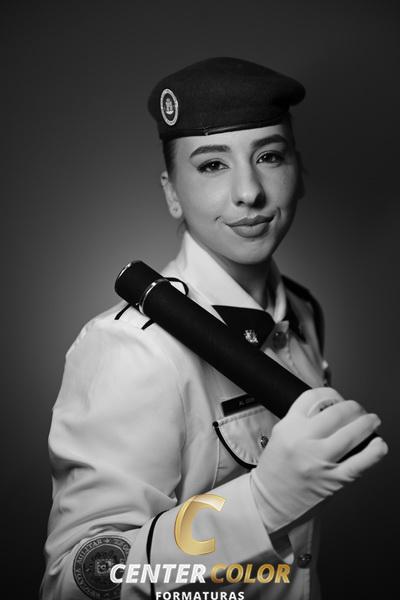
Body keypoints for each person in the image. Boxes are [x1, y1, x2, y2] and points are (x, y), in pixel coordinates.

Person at [40, 57, 388, 600]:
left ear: (299, 171)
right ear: (172, 193)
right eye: (211, 165)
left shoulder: (302, 312)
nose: (249, 192)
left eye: (269, 156)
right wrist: (261, 503)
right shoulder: (132, 349)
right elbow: (74, 583)